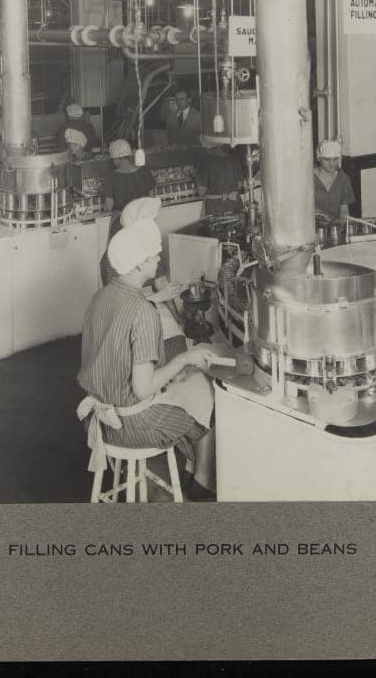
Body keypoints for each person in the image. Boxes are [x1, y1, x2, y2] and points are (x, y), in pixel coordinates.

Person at [77, 218, 218, 500]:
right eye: (153, 254)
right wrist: (186, 358)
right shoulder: (144, 312)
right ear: (139, 264)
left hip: (99, 420)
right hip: (134, 426)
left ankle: (193, 471)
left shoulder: (101, 296)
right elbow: (143, 389)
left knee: (184, 394)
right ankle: (202, 481)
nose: (158, 257)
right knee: (204, 411)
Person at [194, 135, 243, 214]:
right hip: (236, 205)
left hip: (216, 208)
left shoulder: (205, 162)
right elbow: (240, 185)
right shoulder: (233, 159)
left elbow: (201, 191)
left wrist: (196, 178)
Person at [103, 139, 155, 213]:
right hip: (144, 218)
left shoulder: (111, 177)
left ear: (116, 158)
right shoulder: (144, 172)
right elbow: (151, 198)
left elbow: (109, 206)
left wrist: (104, 207)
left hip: (125, 221)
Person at [312, 139, 356, 223]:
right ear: (319, 158)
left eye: (335, 159)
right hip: (313, 228)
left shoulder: (343, 179)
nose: (332, 164)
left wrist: (343, 226)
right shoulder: (310, 178)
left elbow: (344, 212)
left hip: (335, 229)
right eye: (327, 160)